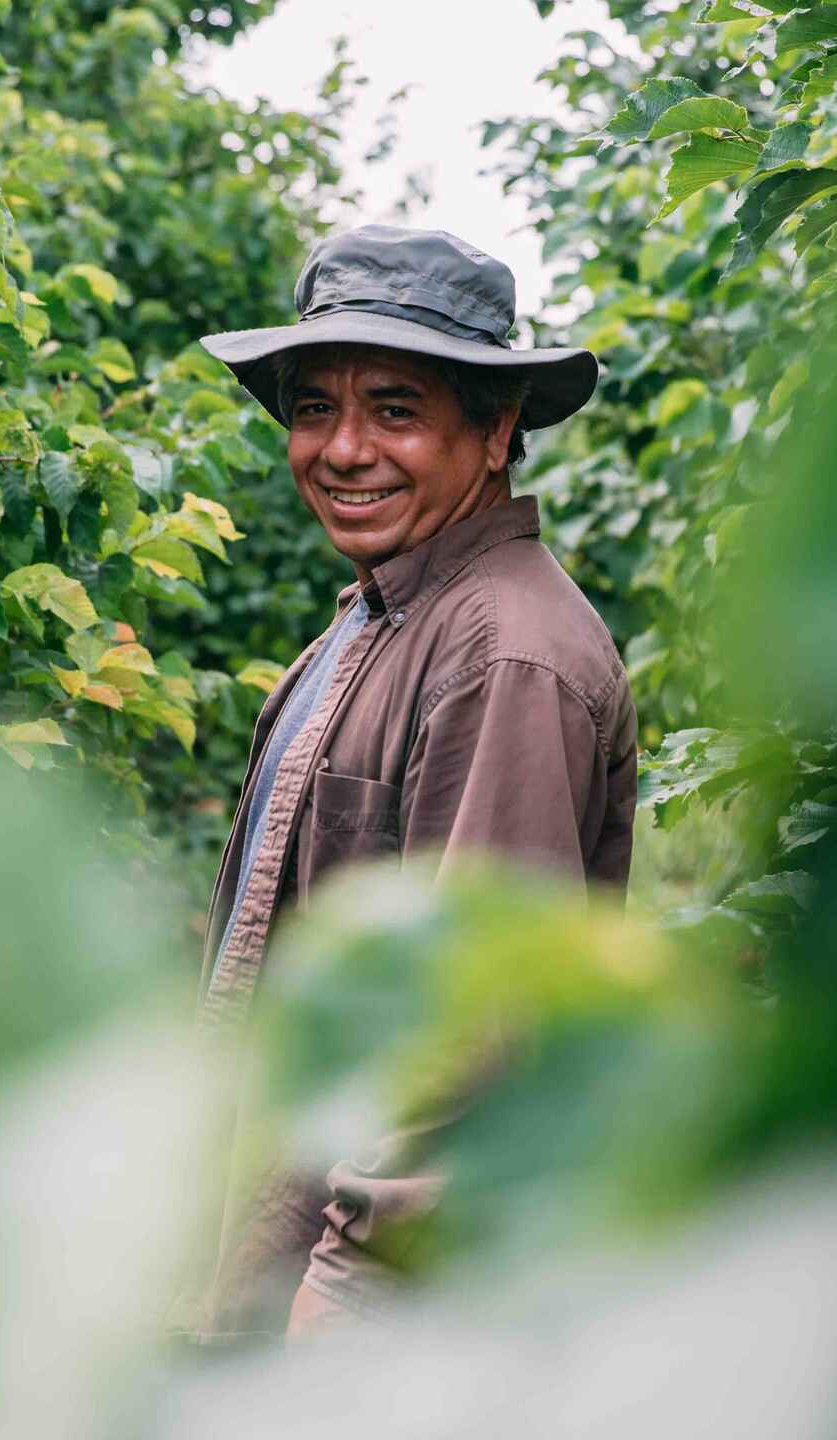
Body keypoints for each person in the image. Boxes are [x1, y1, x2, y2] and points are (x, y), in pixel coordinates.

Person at [175, 225, 638, 1345]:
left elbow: (470, 1025)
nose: (341, 450)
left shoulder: (503, 655)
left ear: (495, 431)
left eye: (394, 409)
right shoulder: (379, 618)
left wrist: (349, 1300)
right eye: (310, 408)